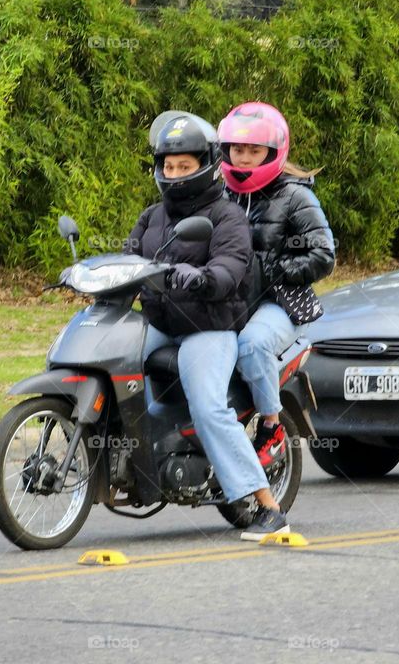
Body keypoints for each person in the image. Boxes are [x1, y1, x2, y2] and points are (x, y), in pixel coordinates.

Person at [125, 111, 289, 541]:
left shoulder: (227, 216)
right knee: (112, 358)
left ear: (206, 164)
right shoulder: (150, 217)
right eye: (168, 165)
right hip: (160, 320)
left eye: (185, 165)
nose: (174, 173)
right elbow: (129, 258)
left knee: (208, 406)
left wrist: (201, 277)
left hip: (208, 325)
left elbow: (231, 267)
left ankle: (265, 504)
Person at [218, 102, 335, 514]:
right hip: (229, 300)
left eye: (253, 151)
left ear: (273, 152)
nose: (244, 157)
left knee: (251, 346)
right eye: (237, 149)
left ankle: (270, 426)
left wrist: (275, 269)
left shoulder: (294, 196)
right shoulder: (219, 192)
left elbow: (324, 255)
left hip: (281, 303)